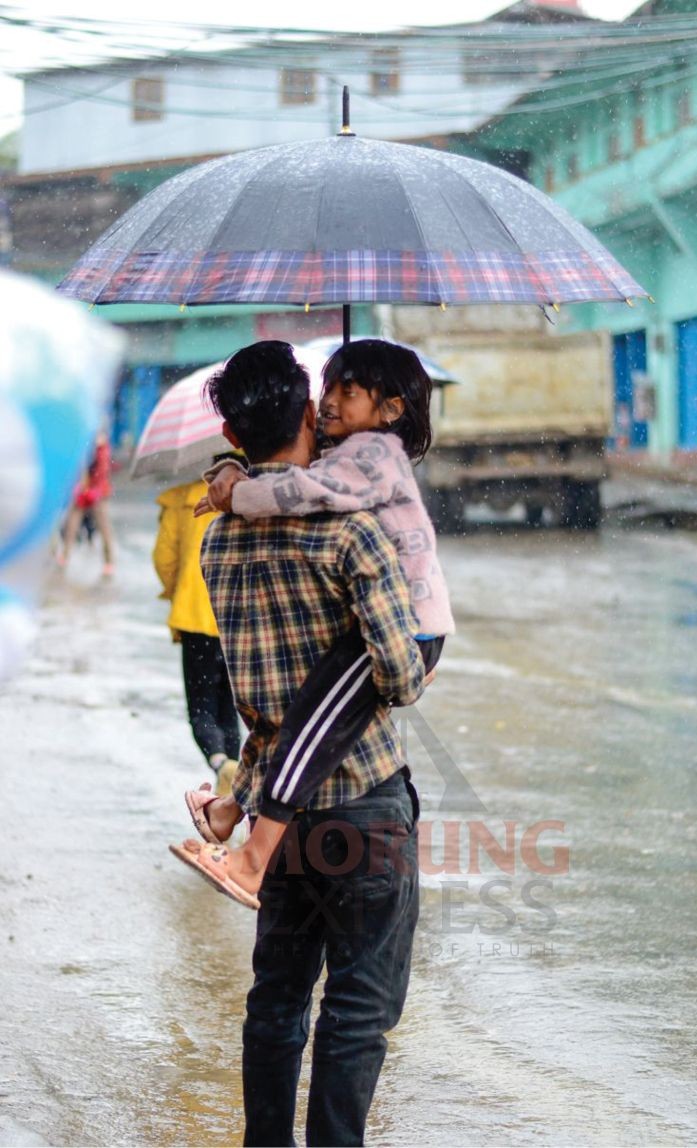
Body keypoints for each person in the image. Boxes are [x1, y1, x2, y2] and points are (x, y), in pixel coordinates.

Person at [168, 340, 427, 1147]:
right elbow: (401, 673)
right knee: (357, 1012)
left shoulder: (219, 545)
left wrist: (239, 797)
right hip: (364, 803)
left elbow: (266, 707)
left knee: (276, 1001)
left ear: (236, 434)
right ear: (311, 414)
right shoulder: (354, 536)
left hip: (279, 820)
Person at [184, 338, 454, 903]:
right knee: (308, 710)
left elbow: (304, 486)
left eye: (346, 391)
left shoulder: (374, 456)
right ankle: (234, 813)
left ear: (390, 411)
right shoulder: (344, 475)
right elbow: (299, 476)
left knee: (309, 719)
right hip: (365, 796)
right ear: (307, 411)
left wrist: (237, 492)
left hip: (414, 630)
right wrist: (237, 474)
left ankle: (254, 852)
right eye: (325, 389)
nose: (329, 401)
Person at [152, 467, 240, 792]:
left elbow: (165, 558)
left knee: (202, 708)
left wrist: (177, 591)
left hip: (195, 615)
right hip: (236, 620)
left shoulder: (183, 498)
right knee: (229, 709)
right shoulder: (248, 495)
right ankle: (234, 792)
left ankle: (220, 763)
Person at [58, 429, 116, 576]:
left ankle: (109, 562)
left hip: (98, 494)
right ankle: (65, 556)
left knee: (104, 528)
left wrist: (94, 489)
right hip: (82, 493)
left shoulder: (102, 451)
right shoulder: (85, 448)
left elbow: (102, 472)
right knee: (71, 524)